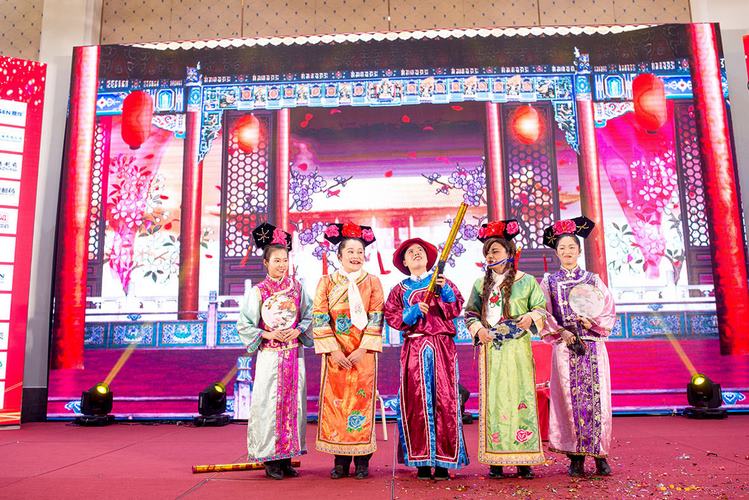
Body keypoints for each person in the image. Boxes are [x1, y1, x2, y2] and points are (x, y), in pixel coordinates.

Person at [463, 219, 547, 479]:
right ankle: (495, 460)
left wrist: (530, 317)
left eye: (495, 250)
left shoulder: (527, 281)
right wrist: (479, 330)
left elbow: (541, 307)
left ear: (509, 252)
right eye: (487, 251)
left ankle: (524, 459)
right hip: (492, 350)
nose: (490, 255)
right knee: (495, 400)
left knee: (522, 397)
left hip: (518, 349)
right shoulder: (480, 284)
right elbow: (470, 313)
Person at [384, 237, 468, 481]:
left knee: (445, 400)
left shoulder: (442, 282)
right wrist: (412, 312)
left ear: (429, 258)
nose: (416, 254)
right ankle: (421, 461)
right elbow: (392, 317)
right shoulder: (400, 290)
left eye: (420, 250)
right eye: (410, 252)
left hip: (442, 346)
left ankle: (443, 462)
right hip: (415, 347)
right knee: (416, 402)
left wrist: (446, 292)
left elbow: (455, 309)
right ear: (404, 262)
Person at [539, 216, 616, 477]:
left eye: (571, 247)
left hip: (592, 345)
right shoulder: (549, 281)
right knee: (569, 402)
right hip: (565, 348)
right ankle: (576, 457)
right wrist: (562, 331)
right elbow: (543, 312)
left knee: (597, 400)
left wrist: (591, 322)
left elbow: (608, 310)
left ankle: (600, 455)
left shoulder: (593, 280)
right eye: (562, 248)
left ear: (579, 250)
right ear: (556, 252)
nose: (567, 252)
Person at [236, 222, 313, 480]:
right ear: (266, 263)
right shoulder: (258, 291)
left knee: (294, 405)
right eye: (276, 260)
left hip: (293, 354)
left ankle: (287, 457)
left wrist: (298, 330)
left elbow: (310, 316)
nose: (282, 265)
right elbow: (244, 324)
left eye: (285, 260)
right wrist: (267, 334)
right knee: (269, 404)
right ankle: (270, 459)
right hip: (270, 355)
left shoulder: (298, 289)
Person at [312, 222, 384, 479]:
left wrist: (363, 349)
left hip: (363, 354)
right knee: (337, 405)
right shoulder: (326, 282)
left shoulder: (373, 282)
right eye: (350, 251)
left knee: (362, 404)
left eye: (360, 251)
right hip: (336, 355)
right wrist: (333, 351)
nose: (356, 256)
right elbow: (319, 317)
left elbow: (377, 317)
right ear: (339, 255)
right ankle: (340, 461)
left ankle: (363, 461)